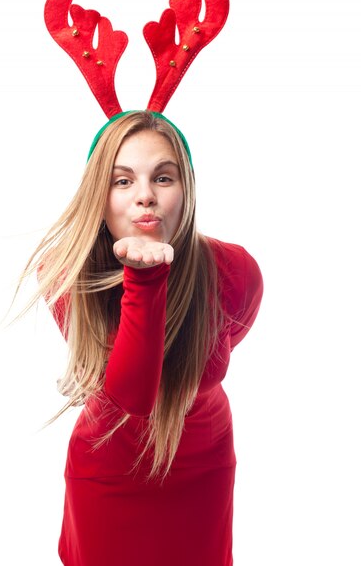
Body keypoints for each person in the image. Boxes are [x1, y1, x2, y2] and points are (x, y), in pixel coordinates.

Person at [13, 109, 263, 566]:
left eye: (163, 179)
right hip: (107, 477)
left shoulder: (236, 271)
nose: (144, 196)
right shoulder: (65, 274)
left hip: (201, 472)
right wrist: (145, 278)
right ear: (98, 195)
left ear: (186, 191)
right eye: (122, 181)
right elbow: (134, 394)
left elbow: (219, 345)